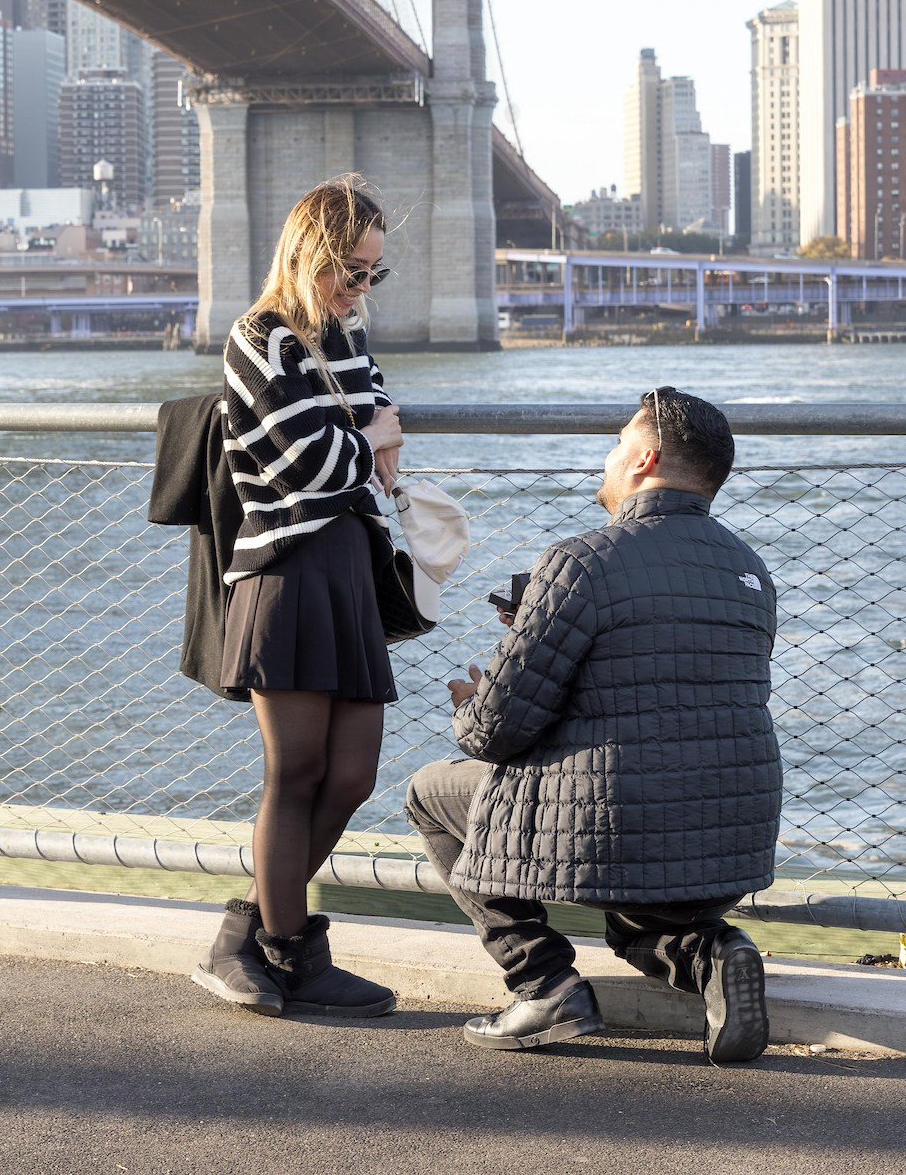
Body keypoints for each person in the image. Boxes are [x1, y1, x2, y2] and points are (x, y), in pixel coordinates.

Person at [406, 388, 783, 1064]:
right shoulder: (749, 570)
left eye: (616, 443)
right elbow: (654, 688)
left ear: (645, 457)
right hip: (730, 842)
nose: (608, 458)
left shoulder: (580, 560)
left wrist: (476, 694)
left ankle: (543, 981)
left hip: (620, 829)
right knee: (634, 912)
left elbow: (495, 731)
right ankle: (714, 953)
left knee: (431, 791)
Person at [192, 176, 404, 1019]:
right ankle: (291, 952)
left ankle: (243, 935)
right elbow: (313, 465)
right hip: (285, 569)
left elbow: (374, 413)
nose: (359, 288)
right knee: (298, 769)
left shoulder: (343, 333)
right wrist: (373, 436)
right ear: (308, 252)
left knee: (352, 774)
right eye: (350, 269)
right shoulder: (259, 339)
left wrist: (373, 429)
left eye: (372, 274)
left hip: (349, 565)